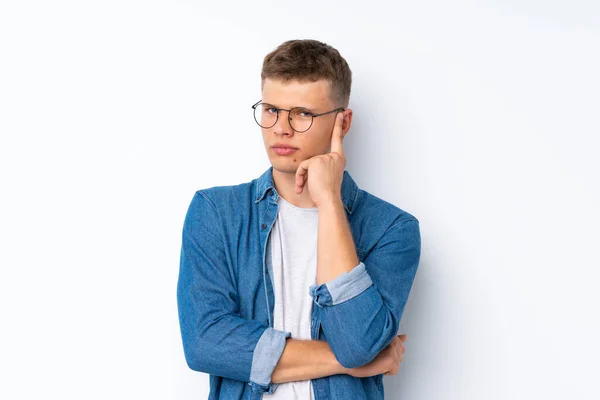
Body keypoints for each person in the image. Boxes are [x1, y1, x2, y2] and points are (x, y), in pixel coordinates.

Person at [177, 39, 421, 400]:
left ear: (343, 122)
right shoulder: (216, 212)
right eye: (271, 109)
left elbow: (356, 342)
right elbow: (205, 342)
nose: (281, 128)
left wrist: (329, 201)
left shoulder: (391, 229)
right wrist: (354, 361)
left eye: (303, 113)